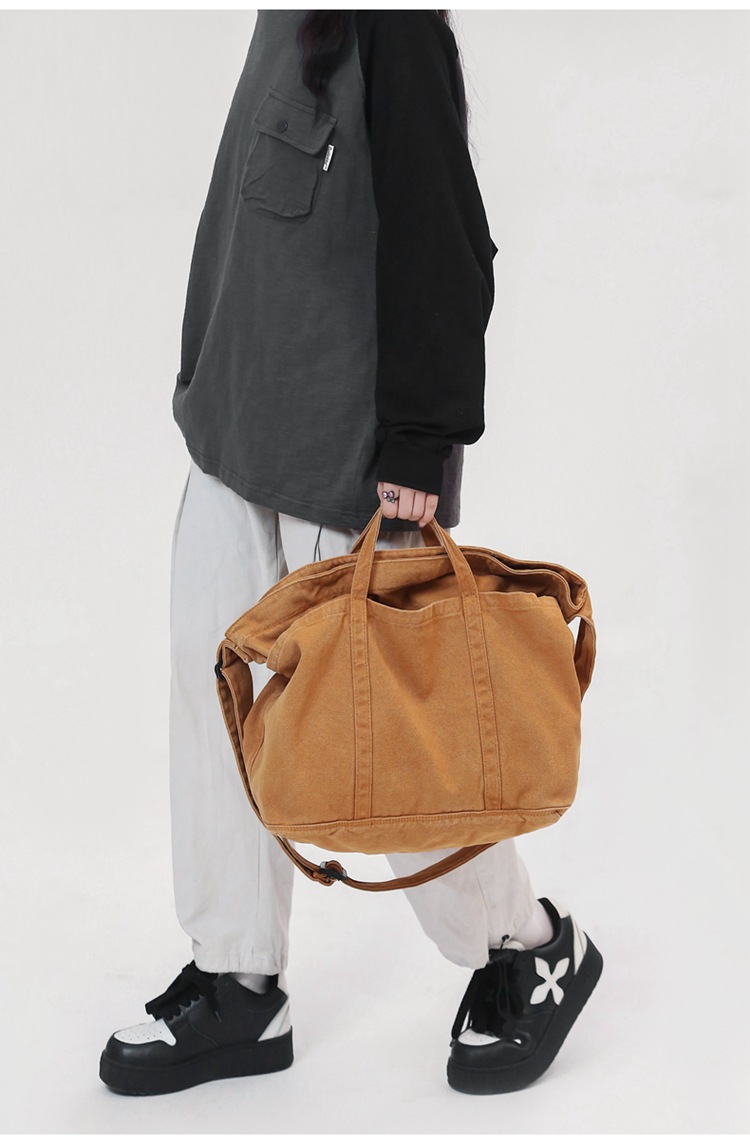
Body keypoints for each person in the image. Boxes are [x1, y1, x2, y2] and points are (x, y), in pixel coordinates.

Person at [98, 9, 602, 1098]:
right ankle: (238, 978)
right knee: (212, 699)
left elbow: (446, 237)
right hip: (235, 431)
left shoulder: (398, 29)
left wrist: (420, 439)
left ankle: (528, 945)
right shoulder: (285, 18)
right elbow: (239, 222)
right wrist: (200, 378)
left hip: (351, 461)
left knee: (390, 744)